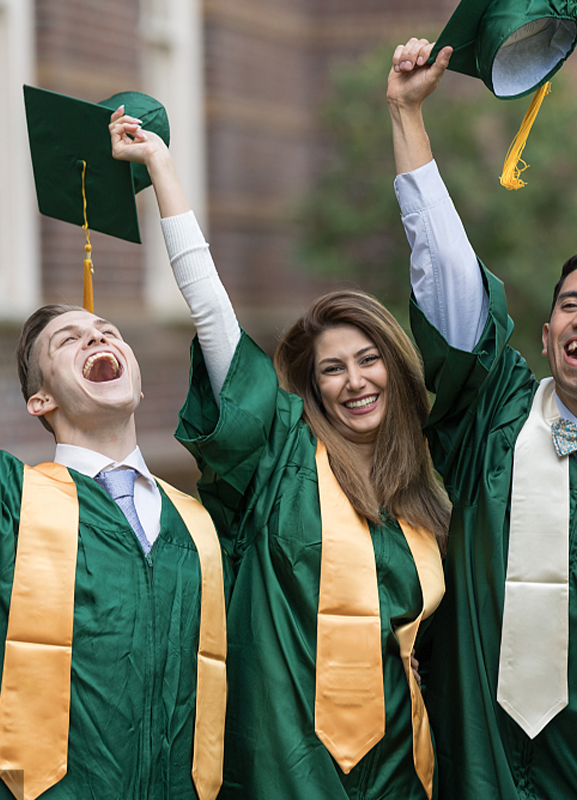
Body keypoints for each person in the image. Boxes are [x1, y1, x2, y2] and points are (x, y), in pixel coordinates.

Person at [108, 105, 451, 800]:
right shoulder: (281, 461)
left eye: (368, 360)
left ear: (396, 367)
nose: (354, 381)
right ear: (313, 386)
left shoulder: (428, 499)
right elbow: (213, 318)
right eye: (332, 369)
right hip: (283, 761)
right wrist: (163, 171)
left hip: (400, 767)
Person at [386, 38, 577, 800]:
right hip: (480, 760)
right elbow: (450, 279)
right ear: (549, 335)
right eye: (569, 305)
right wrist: (406, 113)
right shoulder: (494, 418)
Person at [0, 107, 229, 800]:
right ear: (40, 401)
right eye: (68, 343)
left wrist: (161, 170)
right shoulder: (18, 503)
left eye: (107, 332)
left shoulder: (200, 523)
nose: (99, 340)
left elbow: (222, 337)